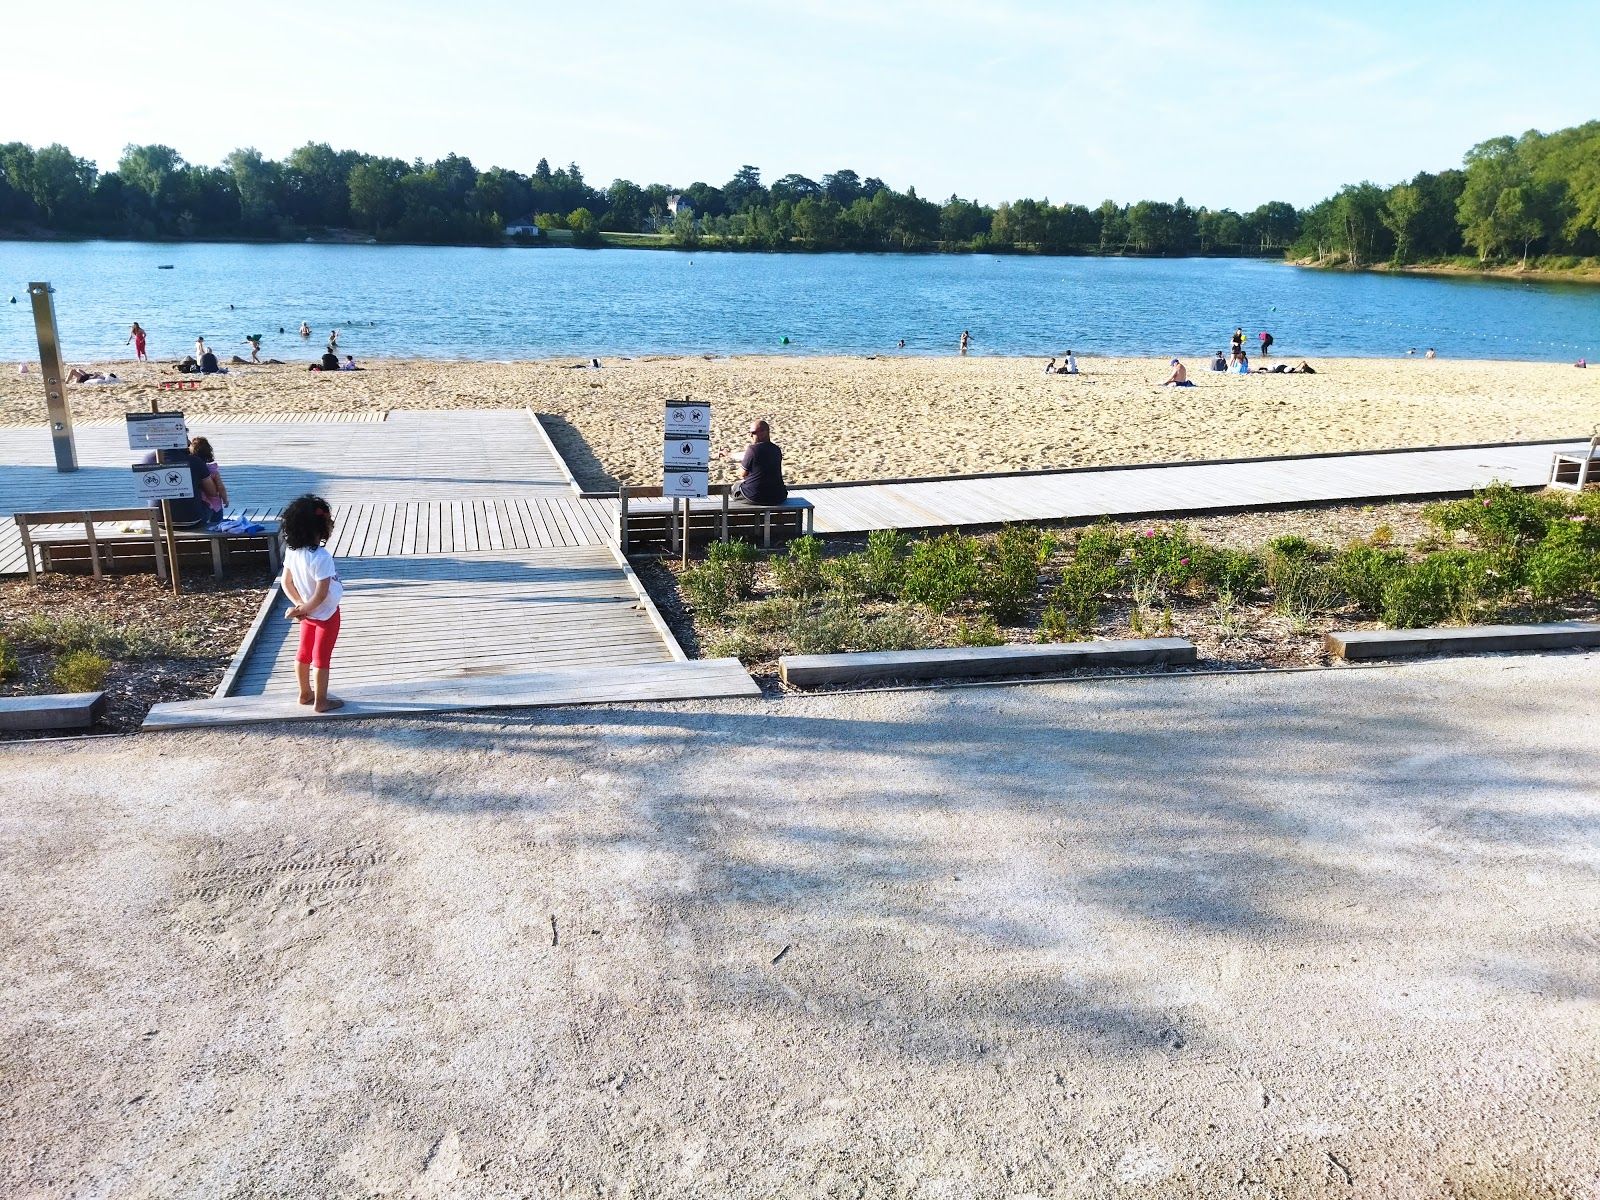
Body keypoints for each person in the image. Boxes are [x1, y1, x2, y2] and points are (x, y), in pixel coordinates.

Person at [280, 494, 344, 713]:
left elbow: (286, 582)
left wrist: (300, 607)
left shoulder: (292, 551)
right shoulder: (321, 557)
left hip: (307, 615)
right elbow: (321, 594)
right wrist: (304, 608)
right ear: (321, 528)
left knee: (303, 653)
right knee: (321, 658)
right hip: (327, 614)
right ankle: (321, 701)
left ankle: (305, 693)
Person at [728, 419, 787, 504]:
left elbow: (742, 474)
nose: (750, 435)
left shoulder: (752, 449)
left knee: (735, 487)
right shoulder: (776, 449)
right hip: (778, 496)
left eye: (753, 433)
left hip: (755, 496)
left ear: (764, 432)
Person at [189, 436, 229, 523]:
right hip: (215, 504)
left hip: (201, 503)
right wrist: (225, 499)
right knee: (217, 522)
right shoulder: (212, 470)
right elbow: (221, 487)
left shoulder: (192, 470)